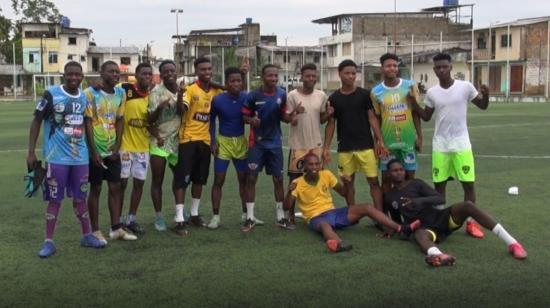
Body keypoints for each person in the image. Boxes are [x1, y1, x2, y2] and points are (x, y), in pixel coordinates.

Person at [27, 61, 106, 258]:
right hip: (56, 158)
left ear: (82, 77)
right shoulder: (51, 94)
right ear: (64, 75)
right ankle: (49, 242)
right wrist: (31, 152)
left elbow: (87, 123)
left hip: (80, 158)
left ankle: (87, 235)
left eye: (77, 75)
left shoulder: (84, 96)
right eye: (69, 74)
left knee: (81, 198)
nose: (73, 78)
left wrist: (93, 151)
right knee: (55, 200)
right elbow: (36, 120)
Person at [384, 159, 527, 266]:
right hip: (425, 228)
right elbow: (398, 221)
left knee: (468, 206)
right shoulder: (390, 197)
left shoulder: (416, 183)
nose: (399, 172)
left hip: (441, 218)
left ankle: (513, 244)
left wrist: (419, 201)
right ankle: (439, 256)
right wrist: (394, 229)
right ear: (388, 174)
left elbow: (440, 198)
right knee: (419, 235)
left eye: (401, 169)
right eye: (395, 171)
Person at [409, 53, 490, 238]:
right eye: (438, 67)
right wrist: (414, 103)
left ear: (451, 67)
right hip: (440, 146)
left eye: (444, 66)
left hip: (462, 145)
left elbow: (483, 106)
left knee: (468, 185)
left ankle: (470, 223)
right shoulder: (432, 92)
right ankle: (440, 222)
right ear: (434, 70)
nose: (441, 70)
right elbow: (427, 116)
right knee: (439, 187)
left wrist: (486, 96)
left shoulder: (465, 87)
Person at [283, 153, 417, 252]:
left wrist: (347, 184)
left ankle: (401, 228)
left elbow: (343, 193)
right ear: (305, 166)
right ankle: (338, 243)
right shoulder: (297, 183)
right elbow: (286, 207)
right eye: (311, 164)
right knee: (325, 225)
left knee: (366, 207)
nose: (314, 167)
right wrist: (289, 192)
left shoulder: (326, 174)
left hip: (333, 212)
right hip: (315, 218)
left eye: (316, 164)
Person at [323, 59, 387, 212]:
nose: (351, 76)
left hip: (366, 147)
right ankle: (351, 213)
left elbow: (372, 118)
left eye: (353, 73)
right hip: (345, 148)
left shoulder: (365, 95)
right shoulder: (334, 98)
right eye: (347, 73)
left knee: (373, 181)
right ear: (340, 74)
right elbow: (331, 124)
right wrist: (326, 147)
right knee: (348, 183)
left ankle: (380, 215)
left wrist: (380, 140)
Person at [84, 60, 137, 243]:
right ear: (101, 72)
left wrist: (117, 146)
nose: (115, 74)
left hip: (112, 150)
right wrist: (94, 152)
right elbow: (88, 123)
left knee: (115, 187)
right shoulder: (90, 93)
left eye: (117, 72)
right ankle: (95, 230)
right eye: (111, 71)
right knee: (96, 188)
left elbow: (120, 119)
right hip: (96, 151)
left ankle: (116, 228)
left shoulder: (121, 93)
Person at [172, 57, 223, 234]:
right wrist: (179, 96)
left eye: (209, 69)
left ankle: (194, 215)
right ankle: (179, 218)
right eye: (203, 70)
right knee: (182, 180)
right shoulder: (189, 89)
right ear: (196, 71)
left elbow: (230, 90)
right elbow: (181, 110)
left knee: (199, 180)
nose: (207, 72)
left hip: (205, 142)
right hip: (188, 140)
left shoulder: (215, 91)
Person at [241, 64, 288, 233]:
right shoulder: (253, 95)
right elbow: (245, 115)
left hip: (275, 143)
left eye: (276, 75)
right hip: (257, 144)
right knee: (251, 179)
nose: (274, 79)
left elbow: (283, 115)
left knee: (278, 179)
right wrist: (251, 121)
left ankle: (281, 217)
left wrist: (292, 116)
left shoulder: (282, 94)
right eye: (270, 75)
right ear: (262, 76)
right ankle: (250, 218)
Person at [370, 53, 422, 195]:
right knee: (386, 178)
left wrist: (420, 137)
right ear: (382, 69)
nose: (392, 68)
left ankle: (409, 211)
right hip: (388, 142)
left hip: (408, 140)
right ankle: (386, 215)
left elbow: (416, 114)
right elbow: (377, 118)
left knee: (409, 176)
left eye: (395, 65)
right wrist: (378, 142)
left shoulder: (410, 86)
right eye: (388, 66)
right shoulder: (376, 92)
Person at [285, 63, 330, 224]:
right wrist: (294, 114)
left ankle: (319, 210)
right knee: (294, 181)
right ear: (301, 77)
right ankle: (289, 215)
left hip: (315, 145)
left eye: (313, 76)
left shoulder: (321, 95)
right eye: (307, 76)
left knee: (316, 178)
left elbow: (322, 119)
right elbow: (289, 119)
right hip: (298, 145)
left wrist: (328, 114)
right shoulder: (292, 96)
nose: (311, 78)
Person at [207, 67, 249, 229]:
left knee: (243, 180)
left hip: (240, 143)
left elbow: (251, 116)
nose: (236, 83)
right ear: (226, 83)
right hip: (223, 143)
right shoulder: (218, 100)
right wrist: (212, 141)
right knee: (219, 180)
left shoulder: (246, 98)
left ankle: (246, 213)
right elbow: (211, 122)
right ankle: (216, 217)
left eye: (239, 80)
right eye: (232, 81)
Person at [147, 60, 185, 234]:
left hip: (177, 141)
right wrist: (160, 108)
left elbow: (181, 112)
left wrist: (182, 96)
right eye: (166, 72)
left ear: (176, 72)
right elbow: (150, 120)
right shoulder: (156, 92)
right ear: (161, 75)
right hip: (159, 141)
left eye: (172, 70)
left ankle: (179, 211)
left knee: (179, 178)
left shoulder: (182, 89)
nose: (169, 74)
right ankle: (159, 216)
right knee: (158, 180)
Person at [119, 62, 154, 233]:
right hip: (124, 146)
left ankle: (131, 218)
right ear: (137, 75)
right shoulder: (125, 88)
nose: (147, 77)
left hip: (142, 148)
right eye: (144, 74)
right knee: (122, 183)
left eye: (149, 74)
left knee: (139, 184)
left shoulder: (152, 96)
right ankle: (117, 220)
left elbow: (151, 122)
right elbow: (108, 90)